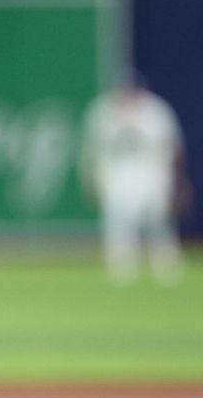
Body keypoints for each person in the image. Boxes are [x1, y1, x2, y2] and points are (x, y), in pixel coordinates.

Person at [79, 71, 190, 285]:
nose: (127, 97)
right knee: (118, 221)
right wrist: (90, 179)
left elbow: (173, 146)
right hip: (116, 174)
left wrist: (179, 180)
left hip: (151, 173)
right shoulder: (103, 112)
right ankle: (121, 268)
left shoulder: (156, 111)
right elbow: (91, 150)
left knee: (157, 220)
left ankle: (165, 265)